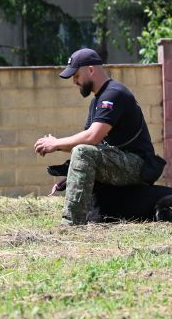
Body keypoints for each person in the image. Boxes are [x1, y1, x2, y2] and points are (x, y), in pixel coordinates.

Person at [33, 48, 156, 225]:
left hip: (137, 165)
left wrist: (56, 143)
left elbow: (92, 138)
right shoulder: (96, 101)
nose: (74, 81)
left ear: (90, 70)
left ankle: (71, 224)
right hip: (119, 161)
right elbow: (88, 144)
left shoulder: (113, 94)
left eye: (76, 75)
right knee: (82, 151)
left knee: (83, 151)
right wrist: (69, 177)